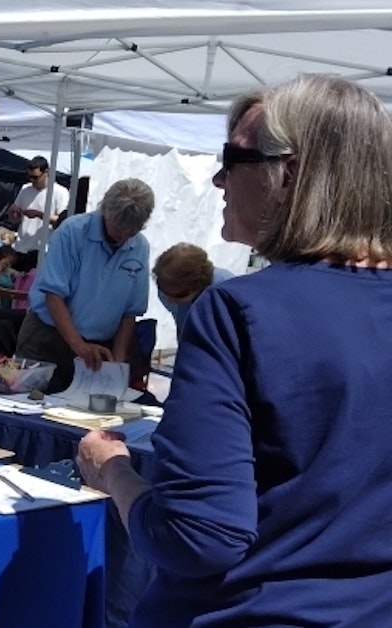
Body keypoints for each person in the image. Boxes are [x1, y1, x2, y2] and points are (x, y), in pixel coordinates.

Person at [77, 74, 392, 627]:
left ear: (289, 173)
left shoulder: (240, 312)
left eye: (233, 157)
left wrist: (114, 473)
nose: (220, 178)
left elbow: (198, 536)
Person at [15, 178, 153, 392]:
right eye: (118, 229)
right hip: (48, 340)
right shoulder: (72, 232)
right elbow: (54, 295)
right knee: (34, 408)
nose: (123, 237)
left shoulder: (140, 247)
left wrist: (116, 365)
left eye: (131, 232)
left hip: (99, 348)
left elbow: (129, 314)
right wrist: (78, 345)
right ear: (105, 209)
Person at [152, 242, 233, 337]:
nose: (170, 300)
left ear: (199, 285)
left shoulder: (226, 293)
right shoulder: (167, 289)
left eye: (179, 296)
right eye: (163, 290)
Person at [9, 156, 70, 271]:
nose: (32, 180)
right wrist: (13, 213)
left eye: (35, 177)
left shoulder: (60, 192)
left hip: (43, 251)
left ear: (46, 172)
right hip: (21, 247)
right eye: (29, 176)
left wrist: (39, 214)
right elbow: (15, 219)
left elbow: (63, 221)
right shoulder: (25, 189)